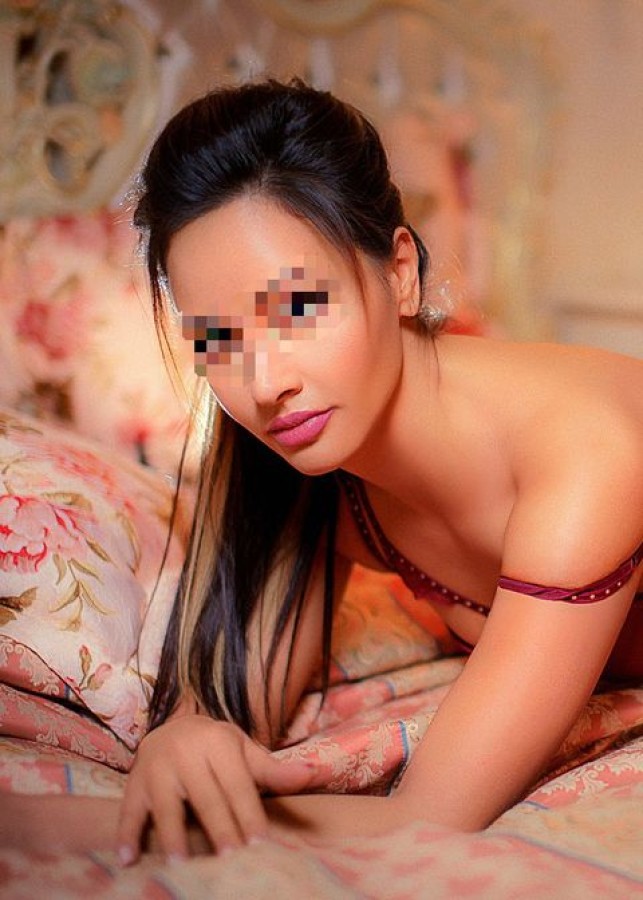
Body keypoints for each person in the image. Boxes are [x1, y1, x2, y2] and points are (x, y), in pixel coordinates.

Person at [7, 77, 639, 862]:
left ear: (399, 272)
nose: (264, 381)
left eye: (299, 307)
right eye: (216, 340)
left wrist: (49, 826)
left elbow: (429, 818)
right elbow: (237, 697)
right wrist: (188, 733)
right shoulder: (315, 478)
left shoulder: (579, 456)